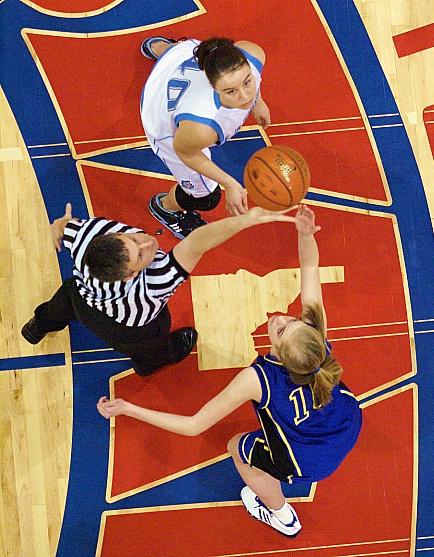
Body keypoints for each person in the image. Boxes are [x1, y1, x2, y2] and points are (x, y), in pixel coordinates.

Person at [97, 205, 362, 536]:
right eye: (291, 320)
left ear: (278, 353)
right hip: (346, 424)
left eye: (280, 330)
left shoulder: (257, 379)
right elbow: (310, 264)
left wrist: (127, 408)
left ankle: (282, 515)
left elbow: (194, 426)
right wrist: (305, 233)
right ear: (308, 327)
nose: (281, 318)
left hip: (307, 458)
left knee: (238, 447)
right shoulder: (314, 339)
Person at [21, 203, 295, 377]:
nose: (148, 244)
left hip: (82, 297)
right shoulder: (156, 282)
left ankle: (36, 327)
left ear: (112, 236)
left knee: (62, 300)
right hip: (127, 328)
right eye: (140, 256)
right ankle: (148, 364)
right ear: (131, 276)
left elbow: (62, 228)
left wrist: (58, 226)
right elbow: (198, 241)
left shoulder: (87, 234)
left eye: (133, 239)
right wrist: (247, 220)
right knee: (154, 340)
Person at [140, 36, 271, 238]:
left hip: (178, 58)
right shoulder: (202, 126)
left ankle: (166, 50)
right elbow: (185, 152)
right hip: (159, 114)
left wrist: (258, 102)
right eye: (231, 91)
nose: (245, 97)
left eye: (247, 82)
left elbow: (253, 77)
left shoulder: (252, 53)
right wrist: (231, 184)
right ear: (211, 85)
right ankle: (165, 207)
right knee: (206, 198)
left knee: (188, 50)